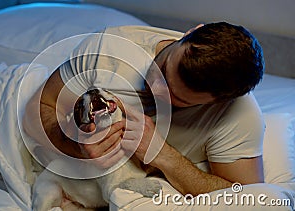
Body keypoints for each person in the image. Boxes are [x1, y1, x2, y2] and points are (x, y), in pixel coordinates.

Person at [23, 22, 265, 197]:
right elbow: (36, 112)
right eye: (162, 68)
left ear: (217, 102)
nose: (156, 89)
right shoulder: (109, 49)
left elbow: (245, 197)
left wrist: (163, 155)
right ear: (190, 33)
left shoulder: (239, 116)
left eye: (176, 97)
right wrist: (73, 142)